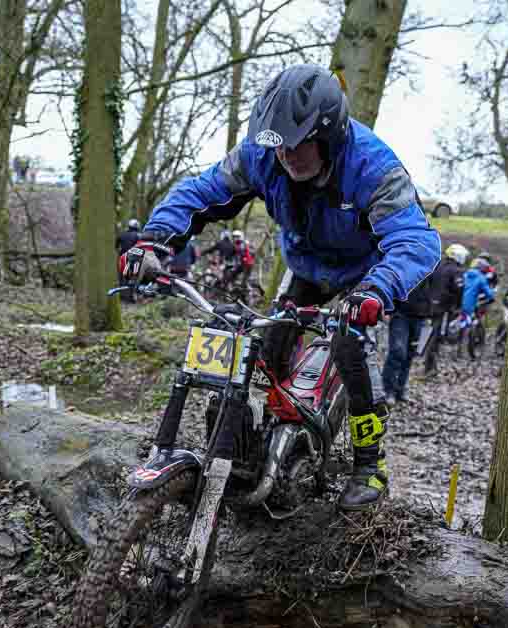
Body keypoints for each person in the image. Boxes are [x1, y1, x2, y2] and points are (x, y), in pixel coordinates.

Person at [127, 64, 441, 511]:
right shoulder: (261, 154)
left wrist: (378, 288)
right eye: (278, 146)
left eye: (297, 146)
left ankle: (371, 464)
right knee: (268, 348)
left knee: (351, 351)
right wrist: (153, 239)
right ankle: (269, 450)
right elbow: (201, 192)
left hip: (364, 274)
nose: (286, 157)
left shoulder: (373, 167)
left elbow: (416, 239)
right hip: (306, 267)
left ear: (328, 136)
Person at [382, 277, 432, 407]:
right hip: (400, 314)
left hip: (420, 316)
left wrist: (429, 312)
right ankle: (388, 390)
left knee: (409, 355)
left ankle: (400, 389)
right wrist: (388, 309)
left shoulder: (431, 265)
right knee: (397, 351)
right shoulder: (407, 261)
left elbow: (434, 289)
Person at [423, 243, 469, 375]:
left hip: (430, 305)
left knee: (429, 332)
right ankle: (429, 366)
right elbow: (459, 289)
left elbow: (428, 282)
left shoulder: (438, 265)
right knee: (438, 336)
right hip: (444, 307)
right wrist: (458, 306)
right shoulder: (457, 271)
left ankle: (426, 359)